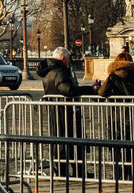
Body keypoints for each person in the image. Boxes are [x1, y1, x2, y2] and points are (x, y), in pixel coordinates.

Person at [36, 46, 93, 177]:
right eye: (68, 59)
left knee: (60, 141)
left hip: (56, 110)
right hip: (66, 111)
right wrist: (90, 90)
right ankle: (76, 172)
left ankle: (62, 170)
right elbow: (67, 90)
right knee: (73, 141)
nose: (69, 62)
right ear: (63, 59)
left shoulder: (49, 71)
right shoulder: (60, 71)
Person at [98, 51, 134, 180]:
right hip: (133, 116)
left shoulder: (113, 76)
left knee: (116, 148)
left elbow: (102, 93)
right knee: (133, 148)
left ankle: (119, 175)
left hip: (115, 117)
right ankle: (133, 175)